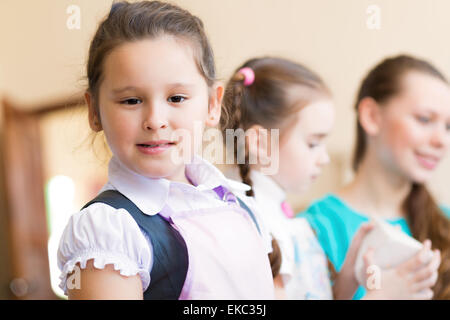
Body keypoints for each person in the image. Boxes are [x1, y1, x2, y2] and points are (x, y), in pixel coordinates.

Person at [57, 1, 274, 300]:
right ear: (94, 111)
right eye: (131, 100)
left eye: (176, 97)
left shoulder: (237, 204)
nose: (155, 121)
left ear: (213, 104)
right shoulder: (110, 231)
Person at [221, 56, 442, 300]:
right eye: (313, 143)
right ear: (261, 143)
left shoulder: (287, 222)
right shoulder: (258, 228)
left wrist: (347, 277)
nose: (324, 158)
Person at [302, 54, 448, 299]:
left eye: (448, 127)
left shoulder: (445, 221)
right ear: (371, 116)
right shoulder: (316, 229)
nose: (442, 140)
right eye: (424, 119)